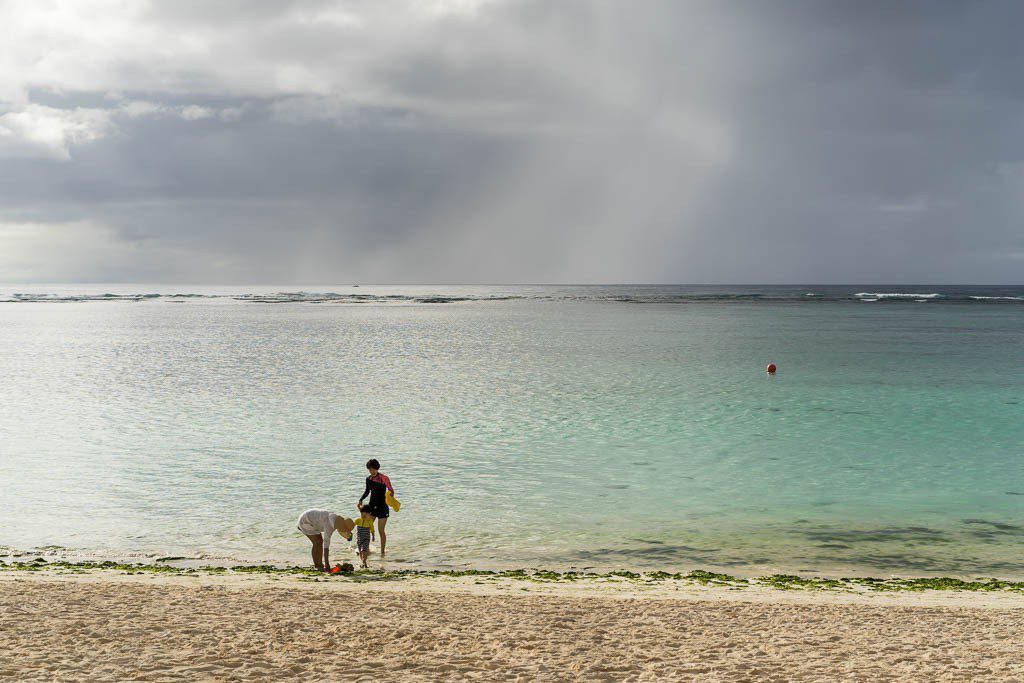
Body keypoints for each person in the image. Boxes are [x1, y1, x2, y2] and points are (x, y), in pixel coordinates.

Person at [357, 458, 394, 556]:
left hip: (382, 507)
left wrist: (390, 495)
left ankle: (382, 552)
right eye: (369, 469)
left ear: (377, 468)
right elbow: (367, 491)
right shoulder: (368, 479)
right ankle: (366, 549)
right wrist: (361, 499)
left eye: (373, 469)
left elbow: (391, 490)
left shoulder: (384, 478)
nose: (371, 471)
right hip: (371, 507)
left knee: (381, 531)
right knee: (366, 528)